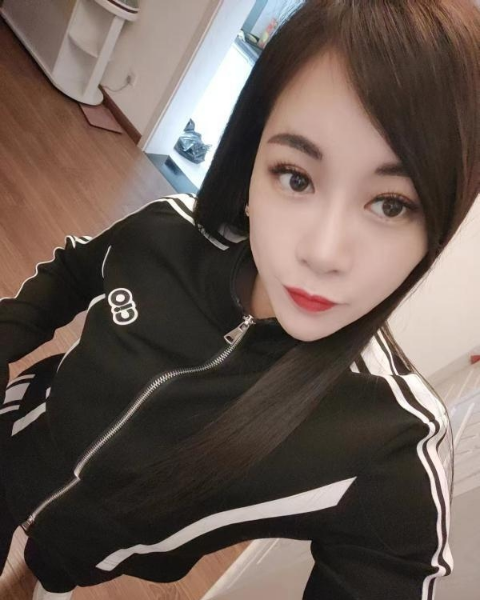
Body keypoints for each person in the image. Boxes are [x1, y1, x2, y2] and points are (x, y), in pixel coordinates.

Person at [0, 0, 479, 598]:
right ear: (251, 165)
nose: (324, 252)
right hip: (13, 441)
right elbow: (73, 271)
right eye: (296, 176)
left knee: (49, 576)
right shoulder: (167, 230)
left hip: (91, 553)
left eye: (391, 204)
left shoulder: (389, 437)